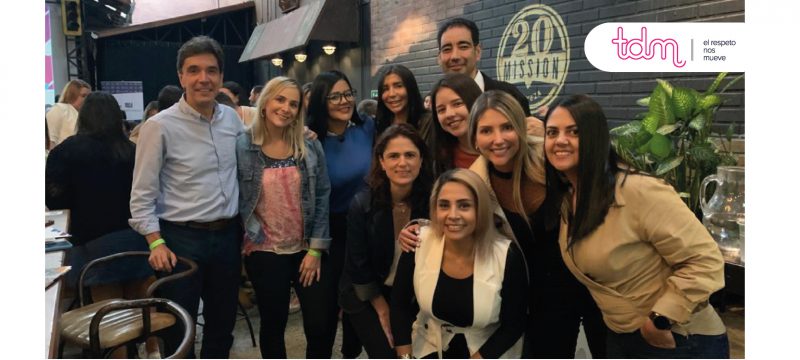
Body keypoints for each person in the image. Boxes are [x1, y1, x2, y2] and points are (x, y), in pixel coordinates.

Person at [544, 94, 729, 358]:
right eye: (552, 132)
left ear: (596, 138)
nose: (560, 140)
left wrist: (660, 320)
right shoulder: (570, 197)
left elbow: (706, 260)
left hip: (678, 337)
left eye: (574, 132)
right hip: (623, 336)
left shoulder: (638, 191)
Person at [129, 35, 244, 358]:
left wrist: (301, 130)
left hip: (227, 236)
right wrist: (155, 242)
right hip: (180, 241)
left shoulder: (232, 120)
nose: (203, 79)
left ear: (221, 76)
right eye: (194, 70)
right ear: (181, 76)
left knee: (222, 325)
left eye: (211, 71)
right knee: (179, 328)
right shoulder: (159, 127)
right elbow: (141, 194)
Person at [467, 91, 607, 358]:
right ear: (474, 138)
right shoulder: (476, 186)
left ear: (521, 127)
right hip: (541, 297)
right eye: (486, 130)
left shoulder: (552, 159)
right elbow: (452, 220)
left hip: (593, 281)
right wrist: (417, 229)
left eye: (507, 127)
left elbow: (603, 186)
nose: (498, 139)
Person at [46, 91, 158, 358]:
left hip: (93, 247)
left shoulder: (65, 151)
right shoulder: (132, 150)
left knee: (112, 319)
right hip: (138, 240)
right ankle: (153, 350)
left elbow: (53, 198)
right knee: (143, 308)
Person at [236, 76, 333, 358]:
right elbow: (236, 195)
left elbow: (323, 194)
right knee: (274, 323)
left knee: (319, 323)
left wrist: (316, 248)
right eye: (280, 99)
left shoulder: (309, 143)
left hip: (306, 247)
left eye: (293, 103)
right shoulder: (242, 144)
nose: (286, 108)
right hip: (264, 248)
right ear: (264, 102)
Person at [391, 169, 528, 359]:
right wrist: (405, 356)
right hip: (429, 345)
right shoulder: (418, 242)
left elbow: (514, 325)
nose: (453, 215)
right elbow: (399, 304)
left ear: (480, 210)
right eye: (444, 205)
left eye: (464, 206)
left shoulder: (507, 256)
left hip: (486, 351)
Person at [339, 124, 433, 358]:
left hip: (411, 295)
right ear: (381, 162)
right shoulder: (362, 204)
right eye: (393, 156)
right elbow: (358, 266)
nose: (403, 163)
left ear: (421, 160)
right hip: (367, 292)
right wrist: (383, 310)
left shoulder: (434, 202)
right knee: (386, 353)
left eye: (410, 155)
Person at [306, 70, 375, 358]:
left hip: (363, 230)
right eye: (335, 96)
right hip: (324, 234)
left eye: (348, 93)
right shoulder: (310, 141)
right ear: (321, 101)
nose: (344, 101)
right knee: (320, 320)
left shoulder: (368, 128)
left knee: (357, 312)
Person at [436, 17, 531, 117]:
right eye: (447, 49)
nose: (454, 56)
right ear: (439, 57)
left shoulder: (510, 96)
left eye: (463, 47)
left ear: (477, 52)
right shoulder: (433, 105)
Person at [428, 73, 483, 176]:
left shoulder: (497, 147)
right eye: (441, 110)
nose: (449, 114)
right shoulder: (441, 159)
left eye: (457, 104)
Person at [374, 64, 430, 138]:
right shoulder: (378, 126)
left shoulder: (429, 123)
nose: (391, 94)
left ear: (410, 88)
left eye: (398, 86)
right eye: (385, 89)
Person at [46, 79, 91, 148]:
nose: (87, 99)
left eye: (89, 96)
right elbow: (51, 139)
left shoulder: (87, 114)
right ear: (72, 95)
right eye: (83, 96)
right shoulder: (59, 109)